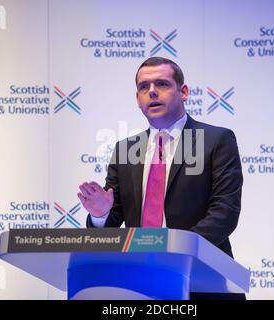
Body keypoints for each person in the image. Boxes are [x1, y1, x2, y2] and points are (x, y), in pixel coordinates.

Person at [77, 57, 244, 300]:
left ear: (183, 91)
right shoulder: (125, 149)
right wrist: (101, 214)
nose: (152, 92)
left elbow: (224, 213)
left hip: (203, 283)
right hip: (139, 284)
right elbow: (112, 222)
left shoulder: (216, 140)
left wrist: (173, 253)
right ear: (137, 99)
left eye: (162, 84)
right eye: (144, 87)